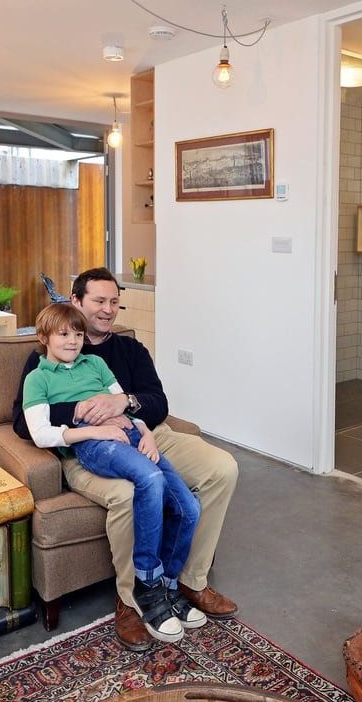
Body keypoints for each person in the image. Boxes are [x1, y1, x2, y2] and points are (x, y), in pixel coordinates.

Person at [13, 267, 239, 651]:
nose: (108, 310)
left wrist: (125, 402)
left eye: (115, 302)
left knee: (223, 469)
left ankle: (188, 579)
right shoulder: (44, 360)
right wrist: (86, 411)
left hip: (149, 433)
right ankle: (132, 600)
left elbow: (158, 403)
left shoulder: (129, 350)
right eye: (99, 301)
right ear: (76, 302)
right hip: (91, 447)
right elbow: (23, 421)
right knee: (131, 491)